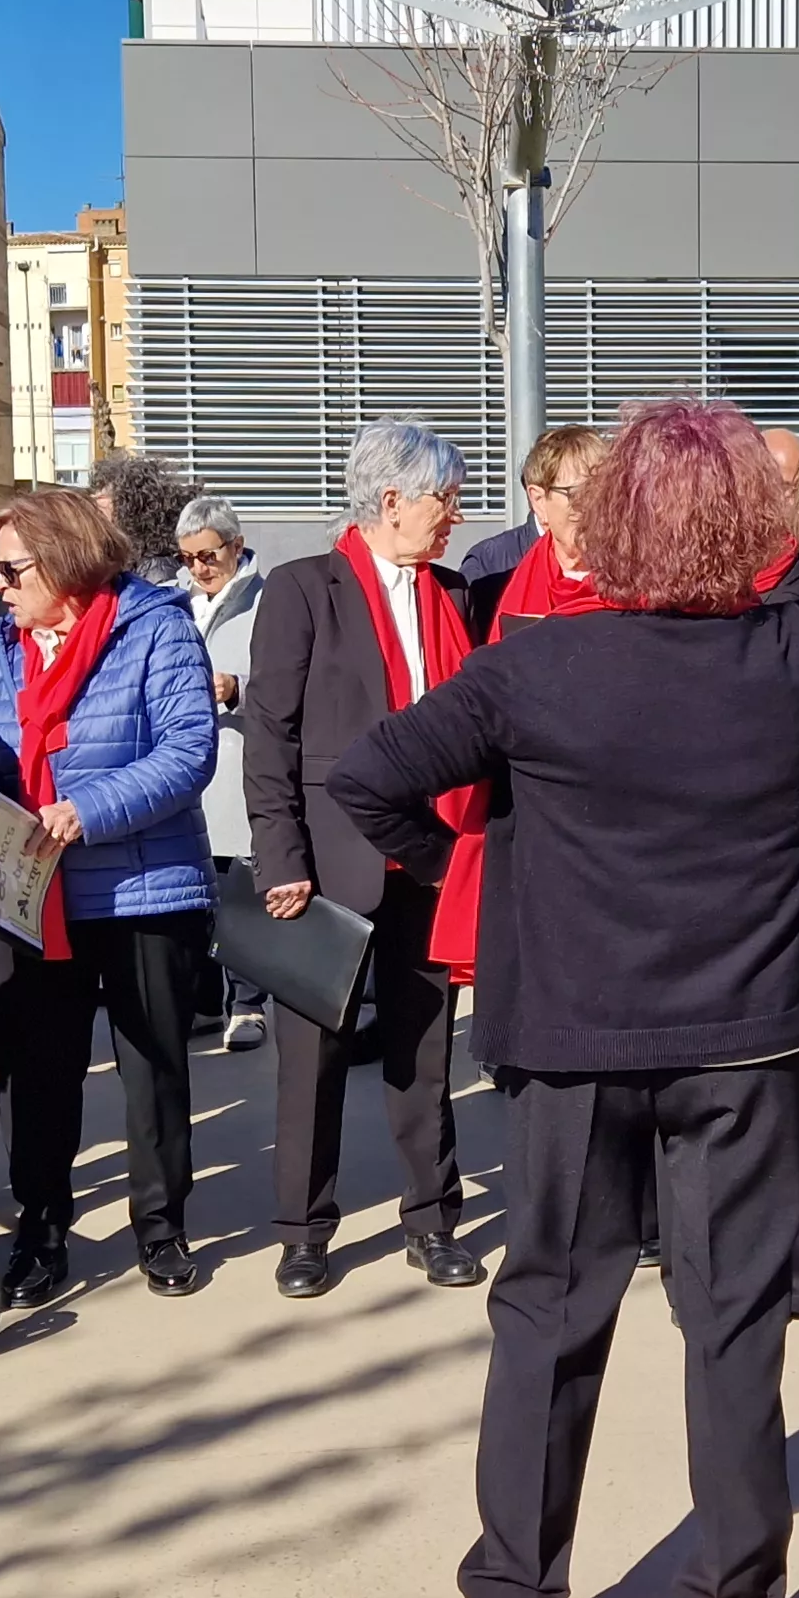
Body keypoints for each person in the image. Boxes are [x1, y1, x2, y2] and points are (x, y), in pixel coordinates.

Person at [331, 385, 799, 1598]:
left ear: (609, 525)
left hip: (570, 1037)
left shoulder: (535, 662)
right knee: (734, 1318)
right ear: (747, 526)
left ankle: (511, 1591)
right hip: (750, 1036)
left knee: (550, 1305)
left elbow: (366, 778)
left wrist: (476, 880)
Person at [240, 422, 482, 1300]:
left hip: (428, 855)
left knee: (425, 1049)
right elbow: (270, 737)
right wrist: (280, 858)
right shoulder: (307, 589)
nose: (453, 516)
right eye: (442, 500)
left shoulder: (452, 594)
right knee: (311, 1058)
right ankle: (305, 1232)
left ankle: (432, 1220)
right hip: (327, 862)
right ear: (390, 502)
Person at [0, 488, 219, 1304]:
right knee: (36, 1073)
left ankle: (161, 1229)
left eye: (10, 570)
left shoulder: (155, 627)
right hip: (33, 888)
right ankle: (40, 1231)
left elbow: (189, 754)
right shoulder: (3, 643)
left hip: (143, 887)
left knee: (150, 1069)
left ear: (65, 558)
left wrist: (87, 812)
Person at [177, 493, 270, 1052]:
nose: (198, 568)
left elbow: (291, 684)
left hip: (241, 765)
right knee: (196, 894)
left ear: (236, 546)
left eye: (208, 555)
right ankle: (207, 1001)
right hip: (189, 771)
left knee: (243, 894)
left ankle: (249, 1006)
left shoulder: (271, 600)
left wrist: (239, 688)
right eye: (187, 558)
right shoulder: (174, 602)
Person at [461, 424, 603, 631]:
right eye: (579, 493)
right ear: (538, 500)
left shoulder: (635, 574)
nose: (595, 505)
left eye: (605, 492)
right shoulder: (491, 567)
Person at [88, 450, 203, 587]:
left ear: (130, 507)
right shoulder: (131, 563)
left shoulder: (158, 573)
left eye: (100, 497)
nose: (93, 504)